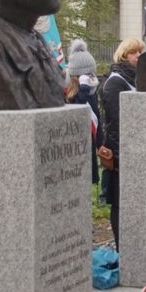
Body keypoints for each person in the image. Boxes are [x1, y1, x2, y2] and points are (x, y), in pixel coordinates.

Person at [99, 38, 144, 250]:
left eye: (140, 52)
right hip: (120, 153)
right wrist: (122, 156)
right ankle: (121, 247)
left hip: (139, 148)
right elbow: (115, 122)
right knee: (119, 201)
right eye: (134, 53)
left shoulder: (138, 79)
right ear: (124, 56)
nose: (138, 56)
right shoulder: (116, 82)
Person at [64, 39, 103, 186]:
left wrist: (100, 143)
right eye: (88, 73)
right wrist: (84, 90)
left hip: (90, 142)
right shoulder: (70, 93)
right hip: (76, 145)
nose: (91, 77)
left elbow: (97, 118)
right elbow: (76, 114)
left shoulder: (91, 90)